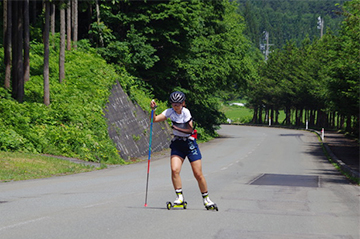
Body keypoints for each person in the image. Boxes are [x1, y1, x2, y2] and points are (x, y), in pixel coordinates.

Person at [150, 91, 217, 210]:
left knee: (198, 174)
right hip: (178, 144)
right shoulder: (169, 111)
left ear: (183, 103)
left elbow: (188, 129)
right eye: (173, 104)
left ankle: (206, 199)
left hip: (190, 144)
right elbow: (154, 120)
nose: (176, 106)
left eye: (178, 104)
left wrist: (175, 126)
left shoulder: (186, 112)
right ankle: (179, 197)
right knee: (174, 170)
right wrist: (153, 110)